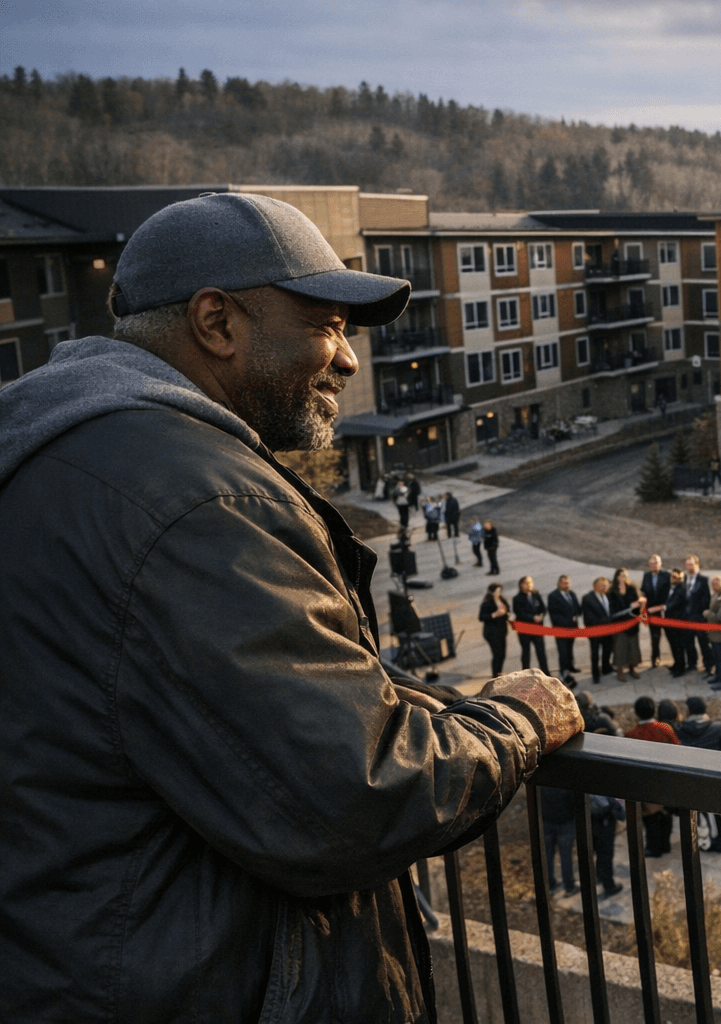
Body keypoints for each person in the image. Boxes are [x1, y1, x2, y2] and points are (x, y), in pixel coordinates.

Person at [0, 191, 584, 1021]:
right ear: (217, 322)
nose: (347, 360)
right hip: (189, 986)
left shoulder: (63, 454)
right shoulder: (193, 503)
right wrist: (517, 722)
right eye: (325, 325)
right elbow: (356, 791)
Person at [627, 696, 682, 857]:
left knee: (650, 819)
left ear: (637, 713)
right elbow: (677, 749)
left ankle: (653, 847)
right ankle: (665, 844)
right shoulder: (666, 729)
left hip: (646, 783)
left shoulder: (632, 734)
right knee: (666, 815)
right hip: (666, 780)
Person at [677, 696, 721, 852]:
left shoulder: (681, 730)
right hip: (713, 776)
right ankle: (718, 841)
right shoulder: (717, 727)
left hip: (692, 777)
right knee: (716, 811)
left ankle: (699, 841)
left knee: (698, 812)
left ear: (690, 711)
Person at [539, 785, 580, 897]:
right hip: (565, 822)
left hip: (547, 821)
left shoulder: (544, 782)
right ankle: (569, 886)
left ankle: (550, 885)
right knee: (565, 855)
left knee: (548, 854)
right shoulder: (565, 783)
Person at [581, 576, 621, 683]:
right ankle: (595, 674)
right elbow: (589, 618)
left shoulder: (608, 596)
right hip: (595, 632)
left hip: (608, 631)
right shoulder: (588, 598)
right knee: (595, 654)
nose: (605, 587)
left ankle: (606, 668)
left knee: (607, 650)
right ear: (595, 586)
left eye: (606, 585)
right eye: (602, 585)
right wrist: (606, 621)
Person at [680, 554, 713, 676]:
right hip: (687, 618)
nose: (689, 567)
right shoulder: (684, 579)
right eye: (687, 564)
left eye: (691, 564)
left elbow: (707, 599)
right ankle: (692, 663)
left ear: (697, 564)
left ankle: (708, 665)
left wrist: (704, 616)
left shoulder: (703, 580)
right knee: (688, 643)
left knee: (703, 643)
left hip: (699, 618)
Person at [610, 567, 645, 680]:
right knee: (620, 648)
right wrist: (629, 607)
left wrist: (637, 607)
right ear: (616, 577)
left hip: (632, 624)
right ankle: (620, 671)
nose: (622, 578)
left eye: (625, 575)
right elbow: (612, 610)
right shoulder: (612, 591)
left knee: (633, 648)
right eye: (620, 575)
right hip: (619, 624)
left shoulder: (632, 588)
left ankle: (632, 669)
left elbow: (637, 606)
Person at [548, 573, 583, 685]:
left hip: (572, 629)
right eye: (563, 583)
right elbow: (554, 616)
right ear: (559, 583)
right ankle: (563, 672)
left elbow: (577, 609)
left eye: (567, 582)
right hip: (561, 630)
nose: (566, 584)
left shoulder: (571, 594)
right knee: (563, 652)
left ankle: (570, 666)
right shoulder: (553, 596)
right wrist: (568, 622)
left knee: (569, 649)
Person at [512, 575, 550, 674]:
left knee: (541, 651)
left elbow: (543, 608)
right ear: (521, 585)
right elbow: (519, 613)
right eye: (526, 583)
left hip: (537, 629)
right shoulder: (517, 599)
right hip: (525, 630)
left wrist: (541, 615)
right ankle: (525, 673)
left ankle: (545, 671)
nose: (529, 585)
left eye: (530, 583)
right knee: (526, 652)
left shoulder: (536, 594)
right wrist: (532, 618)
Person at [640, 553, 671, 668]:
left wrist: (665, 606)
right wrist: (643, 605)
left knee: (671, 636)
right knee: (655, 637)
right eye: (652, 563)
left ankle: (679, 660)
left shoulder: (667, 575)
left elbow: (671, 594)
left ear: (661, 563)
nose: (654, 565)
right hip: (652, 612)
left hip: (666, 611)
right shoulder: (647, 575)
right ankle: (655, 658)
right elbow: (644, 592)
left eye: (656, 563)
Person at [663, 566, 694, 676]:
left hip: (677, 622)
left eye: (677, 577)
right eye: (673, 576)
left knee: (678, 646)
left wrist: (663, 607)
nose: (674, 579)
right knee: (673, 645)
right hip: (668, 621)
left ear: (682, 578)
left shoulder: (682, 588)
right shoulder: (669, 587)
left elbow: (675, 603)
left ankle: (680, 668)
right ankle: (676, 664)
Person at [479, 582, 512, 677]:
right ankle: (495, 675)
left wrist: (509, 616)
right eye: (497, 591)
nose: (498, 593)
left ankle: (499, 672)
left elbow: (507, 610)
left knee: (503, 654)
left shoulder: (502, 600)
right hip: (492, 633)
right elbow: (481, 617)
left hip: (502, 631)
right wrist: (494, 615)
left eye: (500, 591)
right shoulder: (486, 603)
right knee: (497, 655)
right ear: (491, 592)